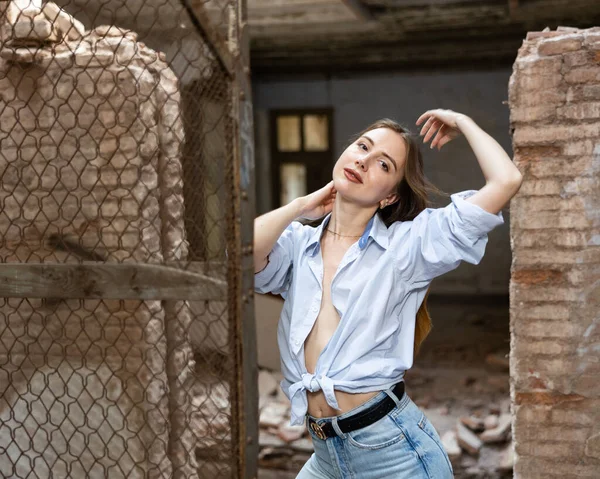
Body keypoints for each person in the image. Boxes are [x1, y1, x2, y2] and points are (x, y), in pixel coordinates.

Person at [254, 109, 522, 478]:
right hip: (326, 455)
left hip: (394, 457)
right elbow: (243, 256)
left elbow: (506, 180)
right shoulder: (299, 244)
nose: (363, 160)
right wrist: (301, 206)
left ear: (390, 195)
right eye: (362, 147)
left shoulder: (407, 247)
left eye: (383, 164)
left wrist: (465, 123)